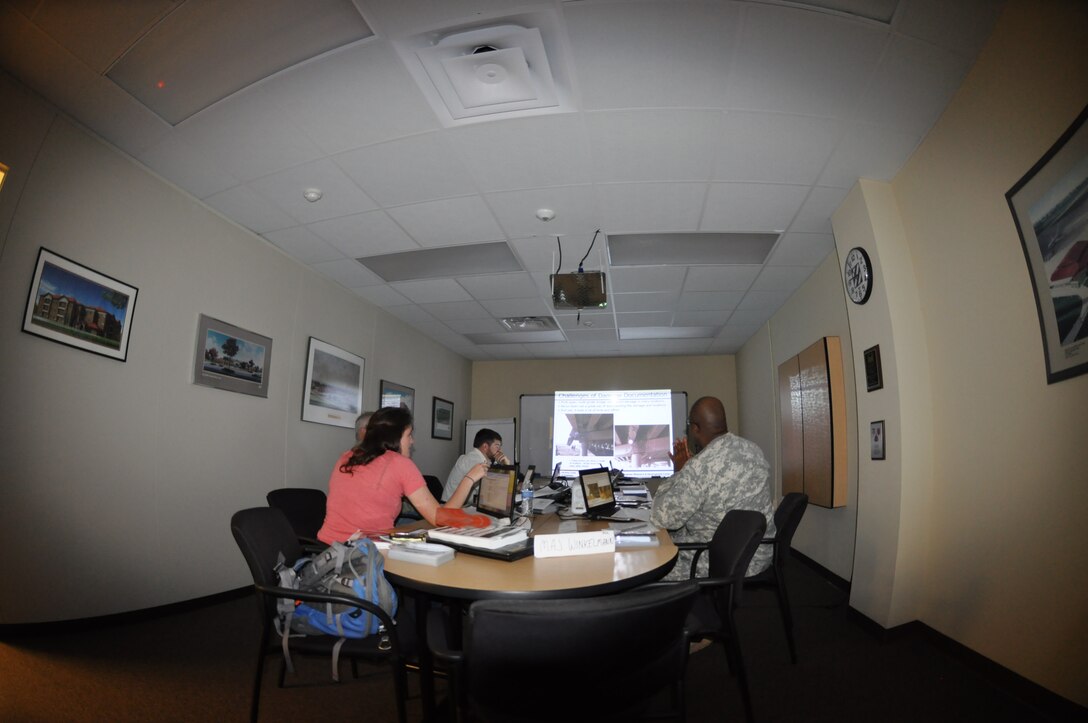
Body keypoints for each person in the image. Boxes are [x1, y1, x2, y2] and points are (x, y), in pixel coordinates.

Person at [650, 396, 776, 581]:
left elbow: (663, 518)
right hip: (759, 552)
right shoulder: (753, 449)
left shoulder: (700, 466)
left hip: (717, 558)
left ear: (694, 428)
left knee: (651, 563)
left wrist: (679, 471)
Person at [318, 407, 488, 544]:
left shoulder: (346, 456)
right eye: (409, 435)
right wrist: (470, 478)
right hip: (363, 554)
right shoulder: (399, 463)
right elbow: (440, 518)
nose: (412, 441)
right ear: (394, 437)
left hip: (329, 550)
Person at [441, 428, 511, 501]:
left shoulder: (477, 458)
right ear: (485, 447)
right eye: (497, 446)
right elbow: (494, 490)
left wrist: (505, 465)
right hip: (450, 507)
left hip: (460, 505)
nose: (500, 450)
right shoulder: (475, 461)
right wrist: (507, 466)